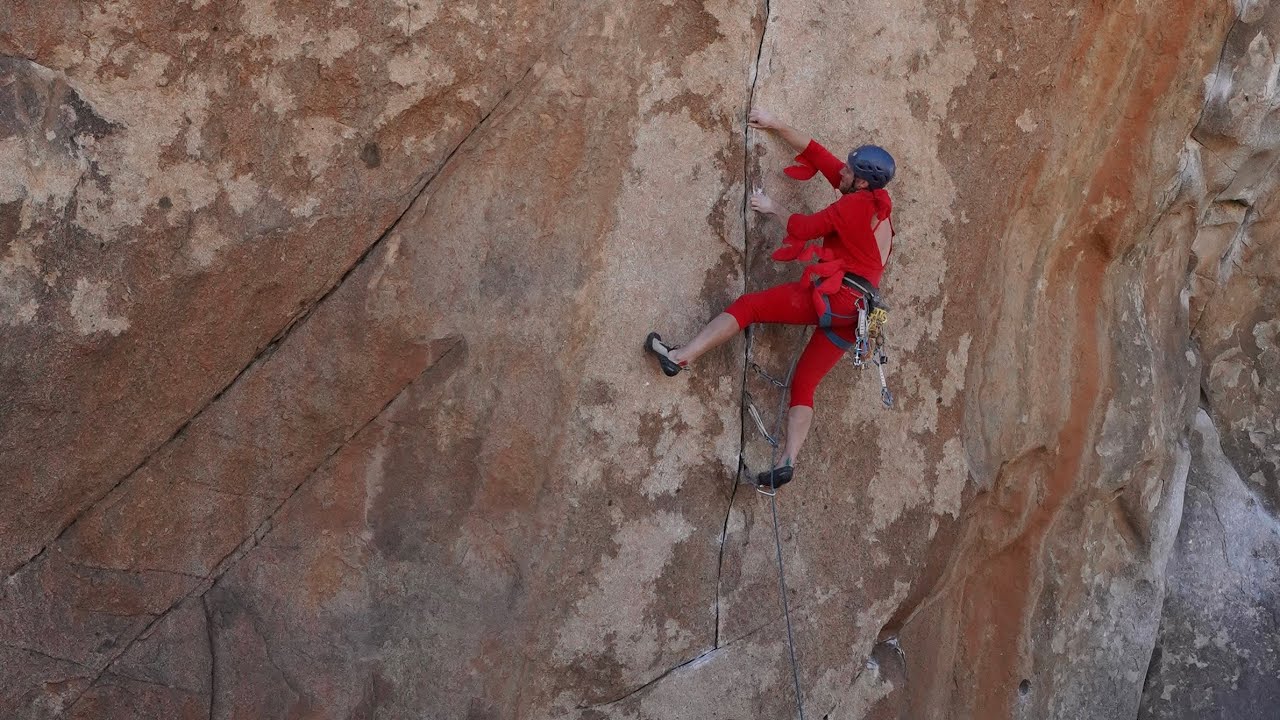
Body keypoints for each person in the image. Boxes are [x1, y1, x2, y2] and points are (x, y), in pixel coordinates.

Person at [645, 107, 896, 489]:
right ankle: (788, 460)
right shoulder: (878, 208)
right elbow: (817, 153)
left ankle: (680, 357)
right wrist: (777, 125)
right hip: (857, 313)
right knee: (806, 381)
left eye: (849, 171)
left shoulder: (850, 205)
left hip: (835, 298)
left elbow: (803, 228)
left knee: (750, 307)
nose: (841, 172)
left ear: (861, 183)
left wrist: (771, 207)